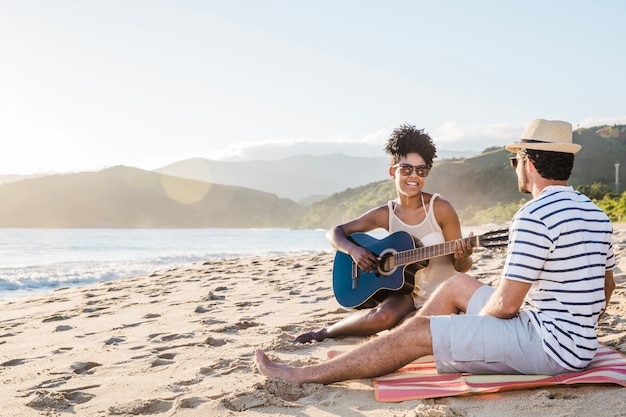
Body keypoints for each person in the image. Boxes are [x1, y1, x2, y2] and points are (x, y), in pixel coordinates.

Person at [256, 118, 616, 385]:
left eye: (515, 161)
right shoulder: (595, 213)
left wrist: (471, 329)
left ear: (529, 163)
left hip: (548, 348)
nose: (516, 169)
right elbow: (607, 289)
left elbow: (506, 307)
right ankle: (394, 343)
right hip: (572, 342)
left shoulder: (534, 215)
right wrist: (576, 325)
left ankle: (304, 376)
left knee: (423, 330)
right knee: (455, 287)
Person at [294, 123, 474, 344]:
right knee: (384, 316)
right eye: (406, 168)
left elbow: (462, 267)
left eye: (421, 170)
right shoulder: (385, 214)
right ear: (393, 172)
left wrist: (463, 255)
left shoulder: (440, 208)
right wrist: (354, 250)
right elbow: (335, 233)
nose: (414, 176)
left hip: (441, 293)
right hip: (406, 293)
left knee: (412, 327)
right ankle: (324, 333)